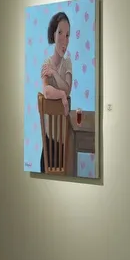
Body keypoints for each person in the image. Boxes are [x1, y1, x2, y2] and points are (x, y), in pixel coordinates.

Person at [39, 11, 74, 173]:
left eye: (67, 35)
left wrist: (54, 73)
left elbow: (68, 88)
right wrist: (61, 95)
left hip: (64, 140)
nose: (64, 39)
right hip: (49, 140)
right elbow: (46, 91)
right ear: (53, 35)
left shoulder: (67, 63)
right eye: (60, 33)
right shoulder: (46, 63)